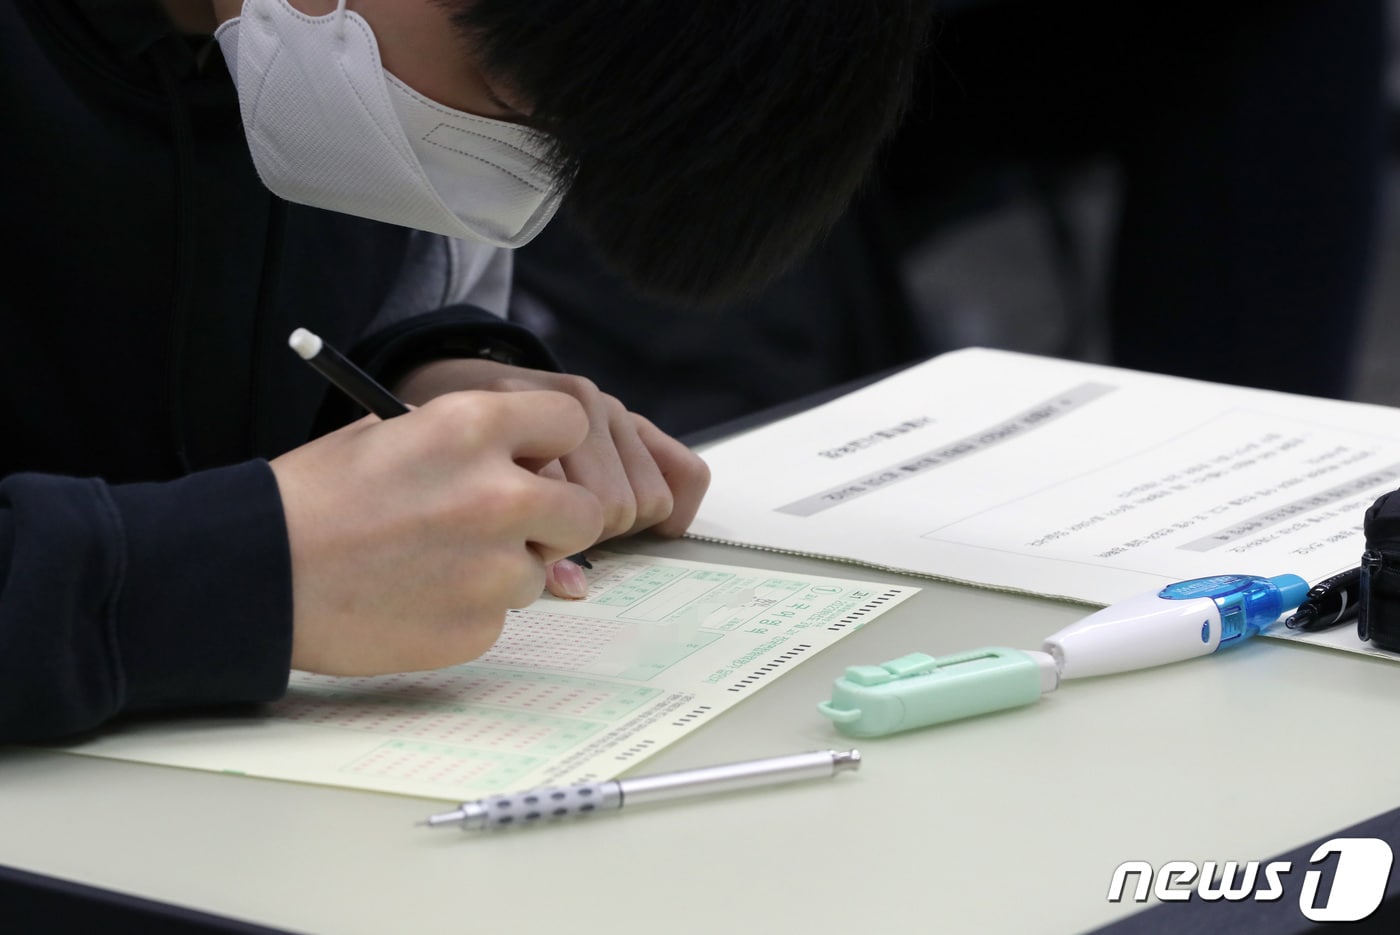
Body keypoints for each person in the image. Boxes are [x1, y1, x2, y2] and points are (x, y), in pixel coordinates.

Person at [0, 0, 932, 741]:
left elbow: (295, 336)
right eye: (509, 97)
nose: (518, 165)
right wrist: (240, 571)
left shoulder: (324, 69)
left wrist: (432, 377)